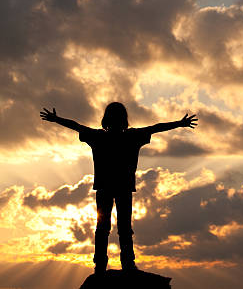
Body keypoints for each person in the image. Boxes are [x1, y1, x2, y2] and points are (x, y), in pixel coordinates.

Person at [40, 103, 197, 273]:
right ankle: (126, 263)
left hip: (106, 188)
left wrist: (56, 120)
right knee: (122, 228)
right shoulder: (131, 136)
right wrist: (179, 124)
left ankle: (102, 265)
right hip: (121, 188)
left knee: (104, 228)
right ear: (124, 119)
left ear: (105, 119)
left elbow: (76, 126)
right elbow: (156, 128)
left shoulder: (99, 136)